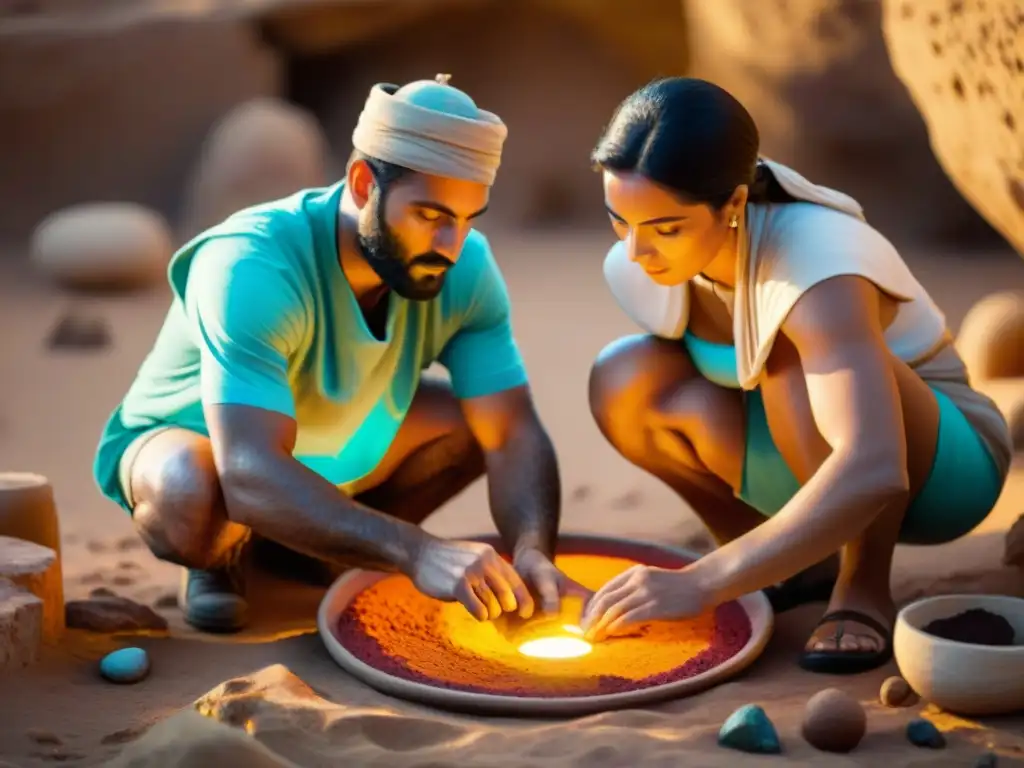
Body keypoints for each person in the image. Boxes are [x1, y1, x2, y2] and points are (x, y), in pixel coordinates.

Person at [93, 75, 583, 633]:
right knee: (189, 491)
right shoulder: (252, 264)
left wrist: (533, 550)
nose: (451, 246)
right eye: (431, 216)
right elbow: (248, 470)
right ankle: (224, 557)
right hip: (210, 445)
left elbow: (513, 431)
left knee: (477, 424)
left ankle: (313, 553)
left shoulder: (465, 266)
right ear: (361, 183)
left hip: (335, 438)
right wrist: (417, 551)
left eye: (469, 219)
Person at [579, 77, 1012, 674]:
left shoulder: (815, 262)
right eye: (619, 221)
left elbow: (875, 464)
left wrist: (700, 583)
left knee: (787, 352)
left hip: (939, 465)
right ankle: (790, 561)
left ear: (732, 205)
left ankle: (861, 586)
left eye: (665, 228)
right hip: (803, 444)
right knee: (624, 377)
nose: (635, 252)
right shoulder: (639, 262)